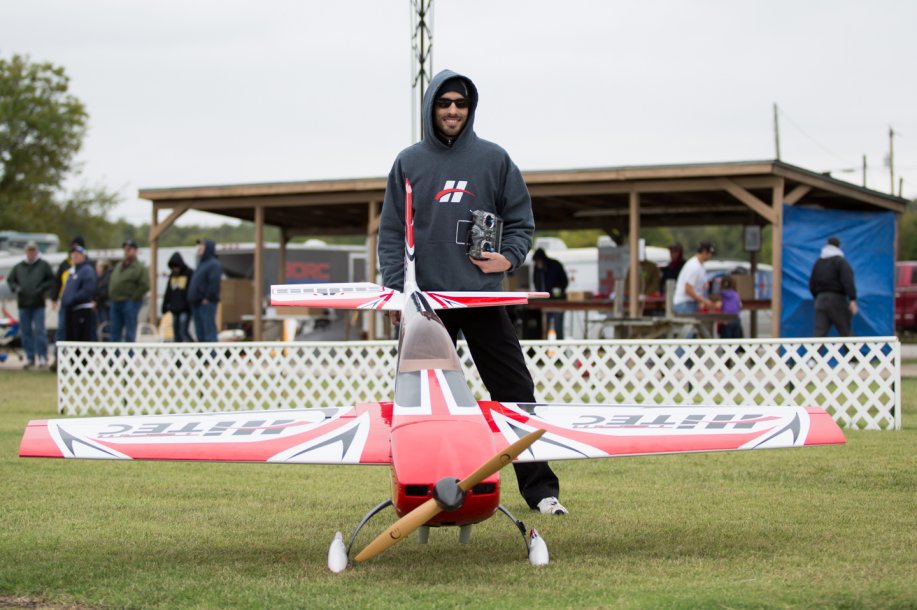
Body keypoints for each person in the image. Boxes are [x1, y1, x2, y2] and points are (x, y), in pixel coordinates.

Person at [378, 69, 567, 516]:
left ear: (470, 108)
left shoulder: (494, 159)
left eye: (460, 103)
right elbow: (391, 232)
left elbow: (520, 221)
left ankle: (542, 492)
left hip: (482, 299)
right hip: (428, 306)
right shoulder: (408, 162)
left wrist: (509, 258)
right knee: (423, 405)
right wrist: (396, 293)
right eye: (444, 103)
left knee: (516, 393)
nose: (452, 110)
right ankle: (427, 487)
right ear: (431, 107)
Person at [6, 241, 53, 368]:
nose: (31, 253)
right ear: (26, 252)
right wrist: (16, 288)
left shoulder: (43, 265)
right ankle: (30, 357)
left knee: (40, 331)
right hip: (23, 304)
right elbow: (10, 280)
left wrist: (42, 290)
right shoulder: (19, 267)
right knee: (25, 332)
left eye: (33, 250)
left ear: (36, 251)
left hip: (38, 303)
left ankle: (42, 357)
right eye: (29, 251)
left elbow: (51, 280)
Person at [809, 236, 857, 337]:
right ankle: (851, 348)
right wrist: (852, 299)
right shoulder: (840, 261)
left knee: (819, 334)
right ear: (838, 246)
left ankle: (815, 348)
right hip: (837, 300)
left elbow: (812, 284)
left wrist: (818, 297)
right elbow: (847, 281)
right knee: (846, 332)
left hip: (820, 300)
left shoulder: (818, 263)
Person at [108, 240, 150, 342]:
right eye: (125, 249)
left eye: (129, 249)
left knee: (130, 332)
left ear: (135, 251)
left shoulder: (140, 267)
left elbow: (145, 285)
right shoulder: (119, 265)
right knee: (114, 332)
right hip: (115, 301)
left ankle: (130, 352)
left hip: (130, 302)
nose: (126, 251)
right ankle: (115, 352)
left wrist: (133, 297)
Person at [60, 245, 97, 341]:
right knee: (71, 339)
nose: (75, 256)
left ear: (83, 256)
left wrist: (72, 299)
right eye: (73, 254)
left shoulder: (87, 270)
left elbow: (88, 290)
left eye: (77, 254)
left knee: (81, 340)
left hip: (82, 310)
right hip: (71, 310)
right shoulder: (73, 271)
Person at [188, 239, 222, 342]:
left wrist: (208, 298)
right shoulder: (201, 263)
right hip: (197, 302)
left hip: (206, 303)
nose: (199, 247)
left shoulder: (213, 264)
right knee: (200, 333)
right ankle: (202, 353)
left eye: (202, 245)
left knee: (209, 332)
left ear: (208, 248)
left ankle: (212, 352)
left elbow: (214, 282)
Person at [532, 248, 569, 339]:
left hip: (558, 301)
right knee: (543, 327)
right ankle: (544, 345)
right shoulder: (537, 268)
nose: (537, 263)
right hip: (544, 301)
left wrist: (559, 290)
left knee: (558, 326)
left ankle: (560, 345)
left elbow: (565, 281)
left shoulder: (555, 265)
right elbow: (535, 281)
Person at [673, 241, 716, 315]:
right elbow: (688, 289)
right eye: (710, 253)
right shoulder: (694, 266)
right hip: (685, 304)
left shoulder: (700, 265)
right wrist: (704, 301)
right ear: (704, 252)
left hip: (689, 303)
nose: (711, 256)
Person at [162, 252, 194, 342]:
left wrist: (190, 306)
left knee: (183, 331)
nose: (175, 269)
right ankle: (179, 350)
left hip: (185, 309)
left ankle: (194, 349)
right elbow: (168, 291)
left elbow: (191, 291)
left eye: (176, 267)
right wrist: (165, 306)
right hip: (174, 309)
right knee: (176, 333)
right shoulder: (172, 276)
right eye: (173, 267)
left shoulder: (189, 273)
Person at [94, 259, 112, 340]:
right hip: (101, 304)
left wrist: (96, 299)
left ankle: (108, 343)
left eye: (98, 266)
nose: (96, 268)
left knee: (106, 326)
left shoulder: (107, 276)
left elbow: (105, 291)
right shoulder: (100, 277)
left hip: (105, 305)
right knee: (102, 326)